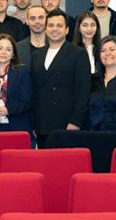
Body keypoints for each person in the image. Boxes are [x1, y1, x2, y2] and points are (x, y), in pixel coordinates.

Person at [30, 9, 91, 147]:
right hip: (42, 123)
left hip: (67, 124)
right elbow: (34, 91)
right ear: (46, 29)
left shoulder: (78, 53)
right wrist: (34, 123)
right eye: (51, 25)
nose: (54, 29)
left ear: (67, 30)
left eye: (59, 26)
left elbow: (83, 91)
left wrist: (76, 121)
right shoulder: (37, 55)